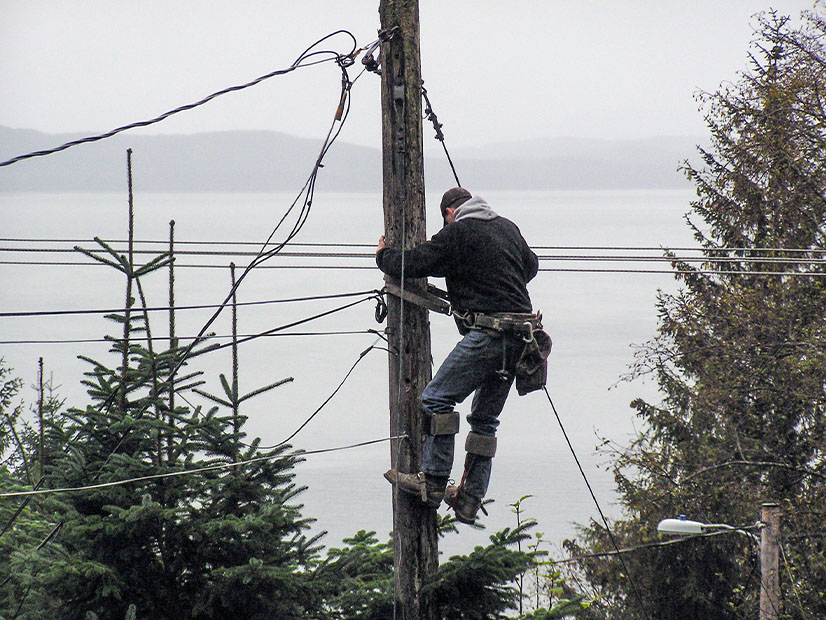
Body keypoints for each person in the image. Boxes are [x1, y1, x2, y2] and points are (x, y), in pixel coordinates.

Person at [376, 187, 540, 523]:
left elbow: (416, 263)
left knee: (436, 399)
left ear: (450, 213)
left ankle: (432, 481)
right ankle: (469, 497)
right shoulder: (508, 227)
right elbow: (531, 266)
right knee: (484, 421)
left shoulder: (458, 232)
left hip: (490, 335)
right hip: (524, 339)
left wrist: (383, 256)